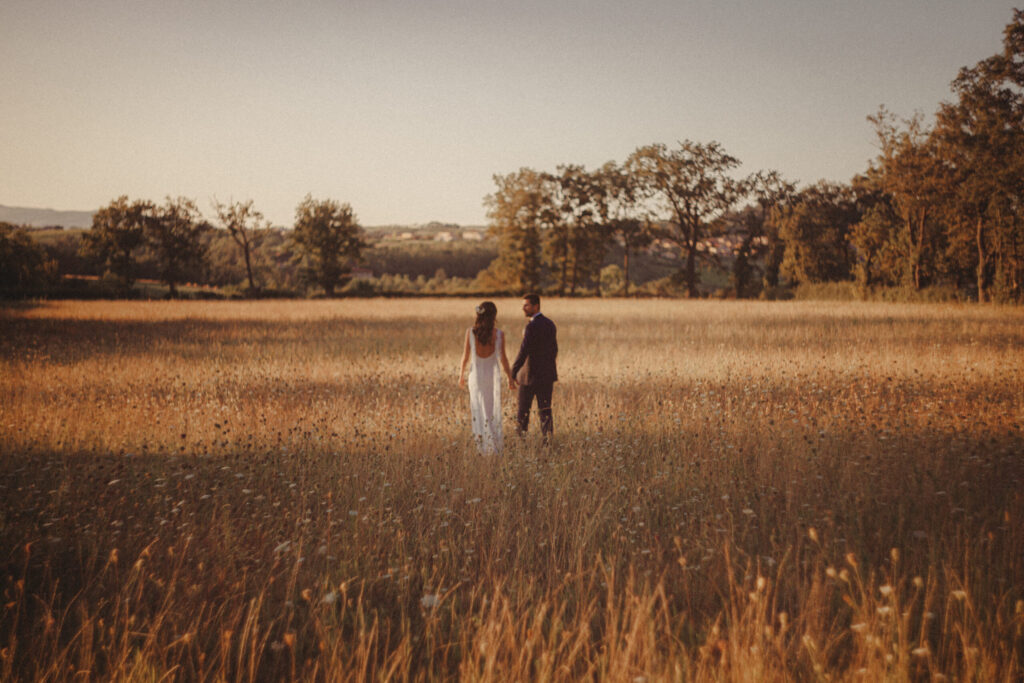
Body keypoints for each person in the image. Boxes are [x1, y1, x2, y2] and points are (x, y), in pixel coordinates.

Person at [458, 301, 514, 454]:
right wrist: (510, 378)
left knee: (477, 409)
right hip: (491, 376)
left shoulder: (470, 332)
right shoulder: (499, 334)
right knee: (490, 410)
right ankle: (493, 446)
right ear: (494, 315)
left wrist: (461, 375)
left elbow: (465, 356)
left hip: (475, 376)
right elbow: (503, 359)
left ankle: (482, 446)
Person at [511, 293, 557, 440]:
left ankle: (521, 442)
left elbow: (524, 351)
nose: (523, 308)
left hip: (529, 376)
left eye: (526, 305)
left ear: (535, 306)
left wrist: (513, 372)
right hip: (546, 376)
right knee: (545, 411)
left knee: (523, 412)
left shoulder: (531, 327)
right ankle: (548, 442)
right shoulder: (550, 324)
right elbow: (554, 350)